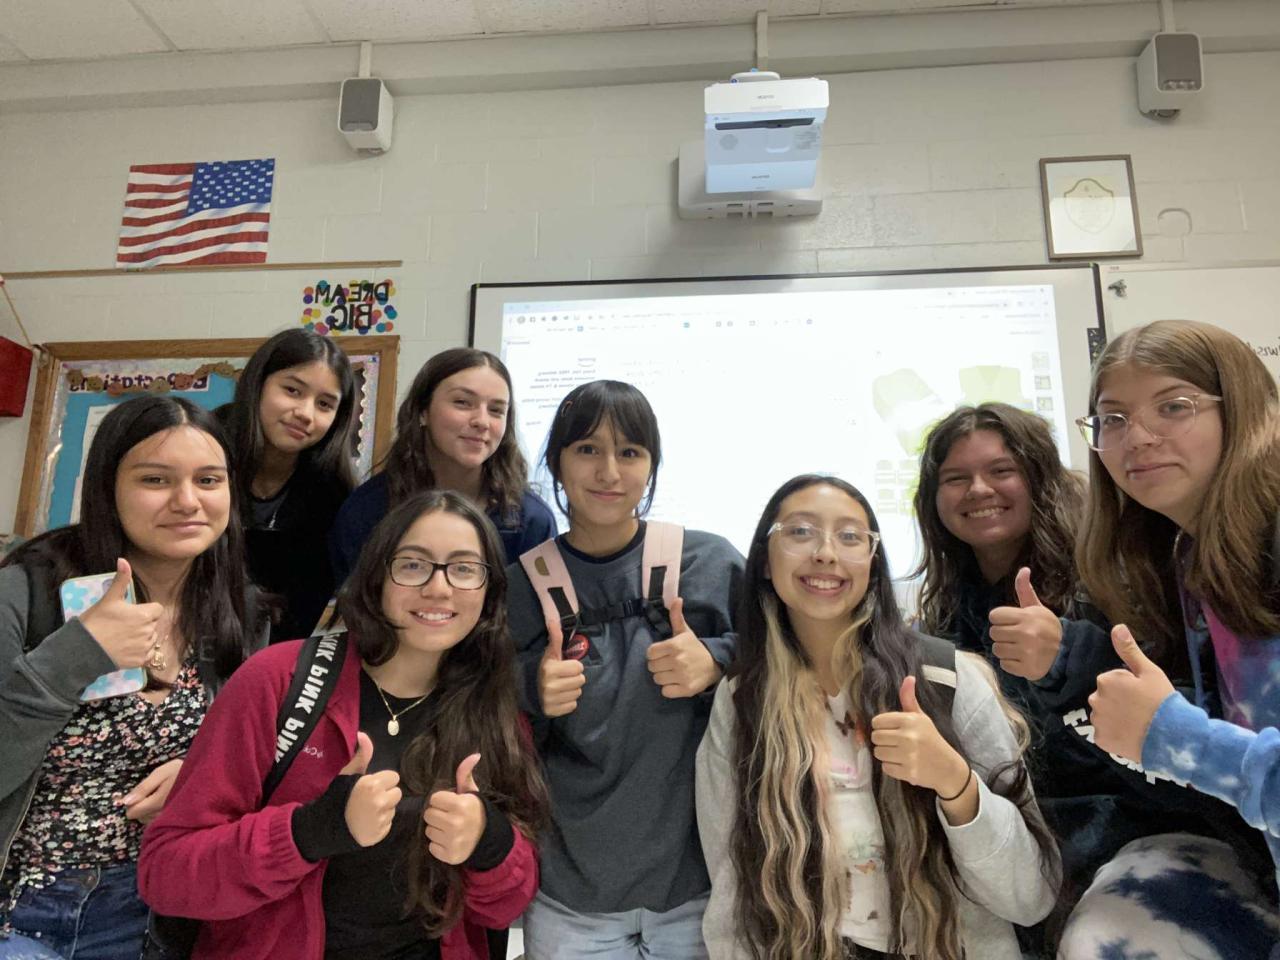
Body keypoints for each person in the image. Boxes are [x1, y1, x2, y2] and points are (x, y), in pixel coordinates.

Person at [139, 490, 548, 960]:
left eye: (464, 568)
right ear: (376, 577)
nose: (439, 588)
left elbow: (506, 906)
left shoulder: (493, 708)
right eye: (413, 565)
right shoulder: (278, 681)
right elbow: (166, 875)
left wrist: (489, 843)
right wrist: (309, 831)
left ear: (489, 591)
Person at [696, 474, 1059, 960]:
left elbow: (1031, 896)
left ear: (872, 561)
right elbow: (732, 890)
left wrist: (954, 783)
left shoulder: (945, 679)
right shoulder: (743, 699)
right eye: (800, 531)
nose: (826, 553)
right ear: (764, 559)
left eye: (850, 536)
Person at [911, 403, 1250, 910]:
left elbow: (1185, 750)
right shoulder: (945, 613)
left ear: (1038, 477)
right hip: (1017, 841)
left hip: (1138, 838)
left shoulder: (1111, 581)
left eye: (1001, 471)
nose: (978, 490)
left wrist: (1071, 663)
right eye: (956, 478)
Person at [0, 396, 266, 959]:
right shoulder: (27, 594)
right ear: (108, 488)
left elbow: (255, 763)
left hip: (162, 912)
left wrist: (199, 778)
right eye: (155, 479)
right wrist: (71, 658)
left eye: (208, 480)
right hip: (24, 909)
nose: (187, 501)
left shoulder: (239, 614)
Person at [1061, 319, 1280, 958]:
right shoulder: (1192, 556)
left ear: (1242, 410)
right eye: (1113, 418)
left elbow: (1202, 744)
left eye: (1174, 406)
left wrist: (1177, 740)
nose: (1138, 437)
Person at [508, 380, 743, 960]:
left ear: (651, 465)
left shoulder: (709, 563)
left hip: (697, 892)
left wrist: (718, 660)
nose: (609, 471)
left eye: (630, 452)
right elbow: (468, 697)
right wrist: (529, 686)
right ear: (556, 462)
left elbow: (793, 656)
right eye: (587, 449)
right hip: (570, 900)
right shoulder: (522, 586)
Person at [330, 348, 555, 584]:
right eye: (463, 402)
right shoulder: (367, 511)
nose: (482, 421)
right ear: (422, 411)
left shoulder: (532, 522)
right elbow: (357, 602)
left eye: (496, 410)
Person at [220, 329, 357, 642]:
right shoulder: (204, 451)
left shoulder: (334, 495)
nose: (305, 414)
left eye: (325, 404)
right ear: (258, 384)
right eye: (293, 390)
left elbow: (308, 606)